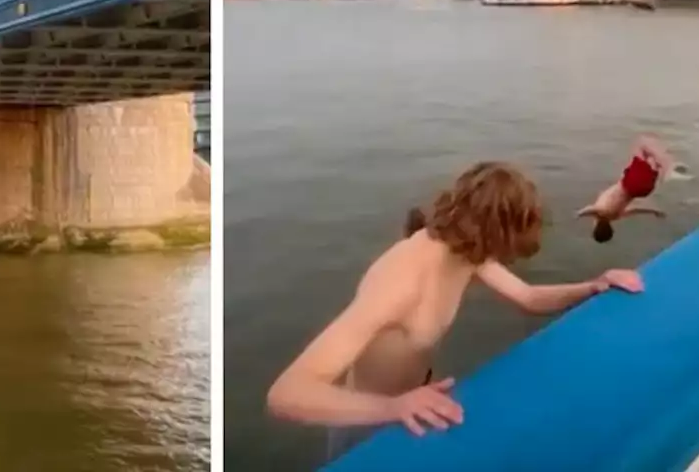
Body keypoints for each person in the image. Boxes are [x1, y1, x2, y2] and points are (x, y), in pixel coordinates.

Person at [266, 162, 644, 462]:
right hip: (367, 423)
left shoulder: (465, 250)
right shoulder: (400, 284)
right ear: (496, 231)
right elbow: (287, 393)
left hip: (416, 404)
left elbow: (528, 298)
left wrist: (593, 286)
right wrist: (393, 407)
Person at [577, 134, 677, 243]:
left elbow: (636, 209)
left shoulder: (616, 216)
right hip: (631, 184)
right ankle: (665, 160)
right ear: (595, 227)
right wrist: (578, 214)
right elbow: (589, 210)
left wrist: (655, 211)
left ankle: (660, 165)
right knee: (641, 144)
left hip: (643, 190)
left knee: (650, 160)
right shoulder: (601, 211)